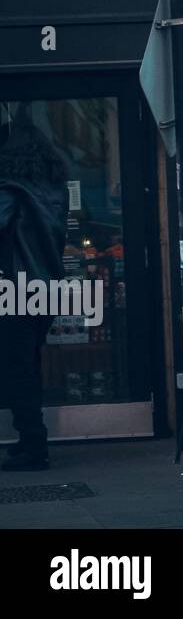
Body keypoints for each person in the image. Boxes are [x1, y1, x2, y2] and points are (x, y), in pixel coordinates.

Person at [0, 120, 68, 472]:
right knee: (28, 363)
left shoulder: (11, 189)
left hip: (16, 290)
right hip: (47, 289)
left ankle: (33, 444)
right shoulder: (55, 188)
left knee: (18, 367)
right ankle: (29, 440)